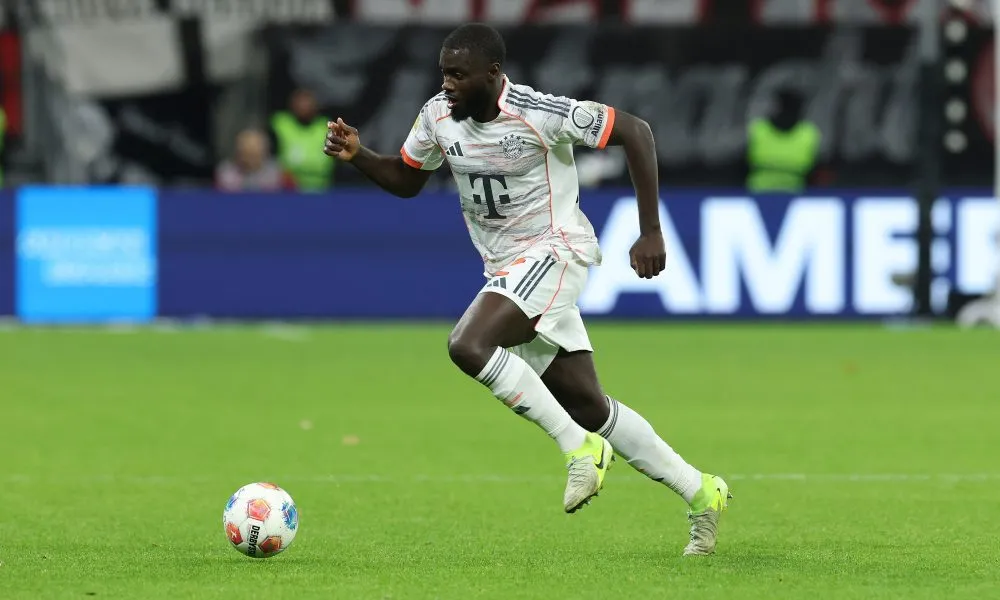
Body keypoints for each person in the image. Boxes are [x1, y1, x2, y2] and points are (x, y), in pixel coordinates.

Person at [323, 23, 731, 556]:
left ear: (493, 73)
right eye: (444, 73)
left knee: (468, 344)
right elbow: (407, 178)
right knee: (588, 404)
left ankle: (579, 450)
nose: (447, 84)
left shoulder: (540, 112)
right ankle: (701, 492)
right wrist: (359, 154)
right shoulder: (437, 116)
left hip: (555, 252)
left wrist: (650, 230)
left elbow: (637, 132)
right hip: (505, 271)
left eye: (458, 75)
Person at [270, 88, 335, 192]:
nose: (303, 106)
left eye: (307, 102)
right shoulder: (280, 123)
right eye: (300, 102)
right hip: (288, 190)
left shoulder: (326, 126)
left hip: (323, 189)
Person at [215, 128, 295, 192]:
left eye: (255, 154)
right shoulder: (225, 176)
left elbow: (294, 200)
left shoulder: (279, 175)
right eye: (247, 153)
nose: (250, 160)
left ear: (265, 152)